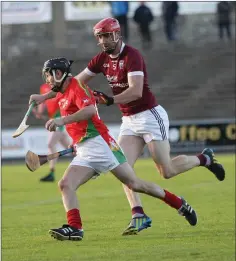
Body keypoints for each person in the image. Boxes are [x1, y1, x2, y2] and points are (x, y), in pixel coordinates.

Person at [34, 18, 225, 237]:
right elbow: (72, 82)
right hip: (129, 120)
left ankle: (204, 159)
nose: (104, 40)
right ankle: (138, 214)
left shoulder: (132, 56)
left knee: (167, 171)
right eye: (100, 37)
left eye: (107, 35)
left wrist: (108, 100)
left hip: (150, 116)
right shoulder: (101, 59)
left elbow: (135, 91)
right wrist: (45, 96)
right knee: (126, 171)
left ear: (117, 35)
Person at [29, 57, 197, 241]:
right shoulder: (62, 90)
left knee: (135, 184)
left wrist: (61, 120)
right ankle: (75, 228)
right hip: (86, 147)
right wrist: (42, 98)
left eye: (49, 76)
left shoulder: (77, 87)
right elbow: (56, 94)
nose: (48, 80)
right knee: (66, 184)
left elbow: (90, 111)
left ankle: (179, 204)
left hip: (101, 145)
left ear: (59, 74)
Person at [32, 83, 71, 182]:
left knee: (50, 144)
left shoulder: (61, 85)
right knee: (71, 149)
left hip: (60, 118)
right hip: (52, 119)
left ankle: (52, 172)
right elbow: (42, 104)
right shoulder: (43, 87)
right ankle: (90, 162)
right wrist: (37, 112)